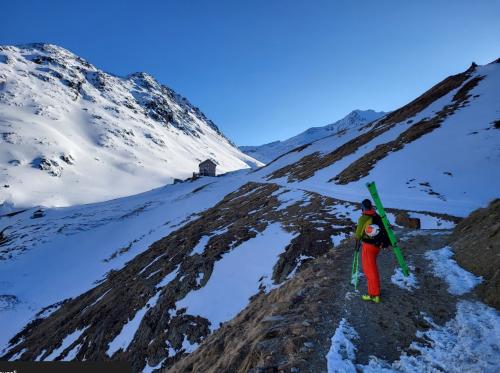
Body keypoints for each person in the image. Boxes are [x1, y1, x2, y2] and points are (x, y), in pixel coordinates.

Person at [354, 199, 389, 303]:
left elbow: (358, 235)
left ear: (363, 208)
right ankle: (376, 290)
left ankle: (374, 295)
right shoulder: (376, 216)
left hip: (368, 246)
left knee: (369, 270)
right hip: (377, 247)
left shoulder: (363, 218)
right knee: (372, 268)